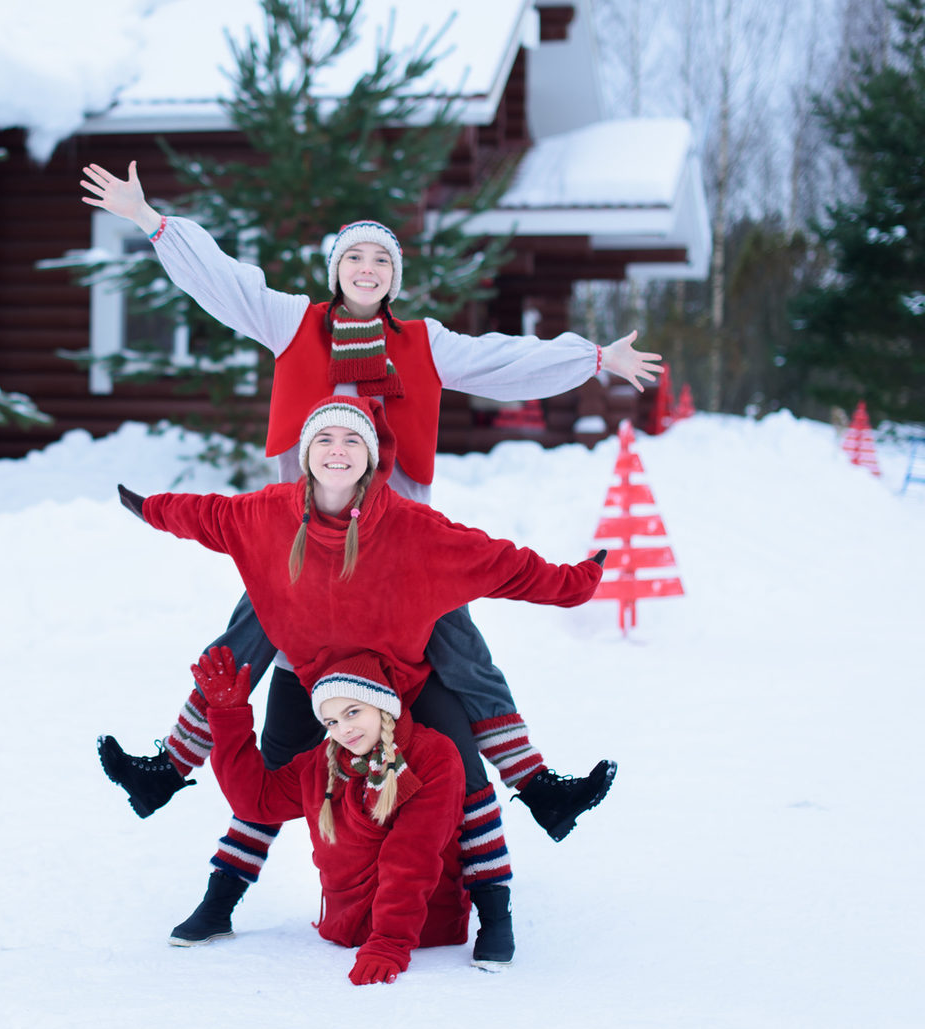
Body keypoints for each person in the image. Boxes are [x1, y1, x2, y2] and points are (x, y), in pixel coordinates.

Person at [83, 160, 655, 949]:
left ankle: (536, 788)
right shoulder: (292, 321)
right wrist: (155, 223)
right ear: (335, 270)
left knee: (468, 660)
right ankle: (169, 771)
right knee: (242, 645)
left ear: (394, 277)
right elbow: (221, 282)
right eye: (355, 257)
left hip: (400, 551)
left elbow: (505, 359)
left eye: (381, 260)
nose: (367, 269)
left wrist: (591, 358)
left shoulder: (426, 342)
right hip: (302, 540)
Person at [119, 394, 604, 967]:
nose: (337, 451)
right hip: (309, 685)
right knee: (268, 786)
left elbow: (498, 562)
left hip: (397, 691)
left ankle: (496, 915)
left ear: (370, 457)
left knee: (466, 776)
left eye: (351, 441)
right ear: (305, 454)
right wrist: (151, 507)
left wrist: (572, 584)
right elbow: (205, 515)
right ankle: (218, 903)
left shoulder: (412, 527)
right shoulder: (265, 516)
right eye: (324, 440)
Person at [194, 646, 468, 986]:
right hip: (342, 933)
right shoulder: (323, 764)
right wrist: (229, 717)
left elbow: (413, 857)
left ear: (382, 705)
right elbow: (256, 802)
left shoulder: (432, 755)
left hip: (421, 933)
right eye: (332, 721)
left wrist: (389, 943)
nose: (344, 730)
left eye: (353, 712)